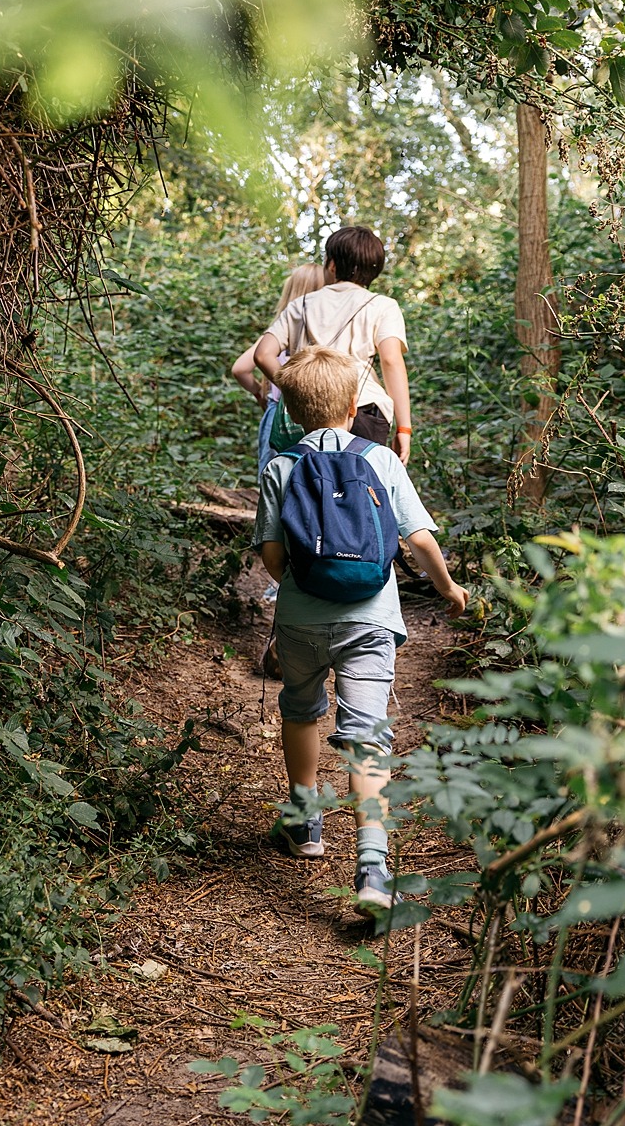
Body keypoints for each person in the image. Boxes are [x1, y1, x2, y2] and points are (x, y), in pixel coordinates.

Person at [252, 346, 467, 915]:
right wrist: (447, 589)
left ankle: (305, 826)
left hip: (300, 619)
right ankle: (372, 866)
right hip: (371, 619)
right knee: (367, 732)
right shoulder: (383, 461)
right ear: (354, 406)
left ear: (293, 412)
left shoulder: (280, 466)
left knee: (301, 707)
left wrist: (303, 585)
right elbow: (418, 539)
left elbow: (272, 555)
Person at [254, 226, 413, 464]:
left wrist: (298, 390)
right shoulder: (383, 306)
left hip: (309, 414)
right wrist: (404, 428)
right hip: (362, 407)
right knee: (361, 487)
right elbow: (390, 360)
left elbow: (262, 354)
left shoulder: (301, 304)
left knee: (306, 485)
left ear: (332, 264)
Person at [229, 263, 327, 475]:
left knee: (274, 479)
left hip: (278, 415)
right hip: (314, 414)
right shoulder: (323, 334)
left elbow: (240, 369)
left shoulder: (277, 333)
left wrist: (260, 394)